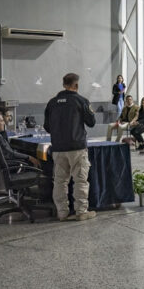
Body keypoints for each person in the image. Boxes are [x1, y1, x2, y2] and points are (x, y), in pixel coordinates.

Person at [44, 73, 96, 222]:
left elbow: (47, 127)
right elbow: (91, 122)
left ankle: (62, 213)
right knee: (80, 180)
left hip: (58, 148)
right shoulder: (81, 101)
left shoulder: (52, 103)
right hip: (77, 147)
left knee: (60, 181)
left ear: (63, 84)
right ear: (76, 85)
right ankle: (81, 212)